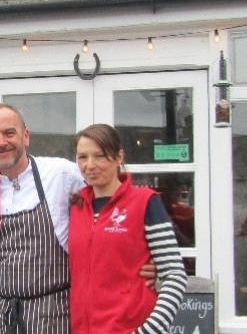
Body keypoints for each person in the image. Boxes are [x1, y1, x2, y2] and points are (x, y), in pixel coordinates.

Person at [0, 104, 158, 334]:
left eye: (9, 133)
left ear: (26, 136)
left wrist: (148, 256)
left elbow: (115, 209)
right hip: (2, 316)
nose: (1, 142)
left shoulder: (61, 174)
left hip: (53, 312)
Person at [69, 124, 187, 334]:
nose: (90, 165)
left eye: (100, 156)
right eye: (82, 157)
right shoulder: (76, 208)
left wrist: (148, 331)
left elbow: (175, 277)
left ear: (119, 157)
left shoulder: (145, 202)